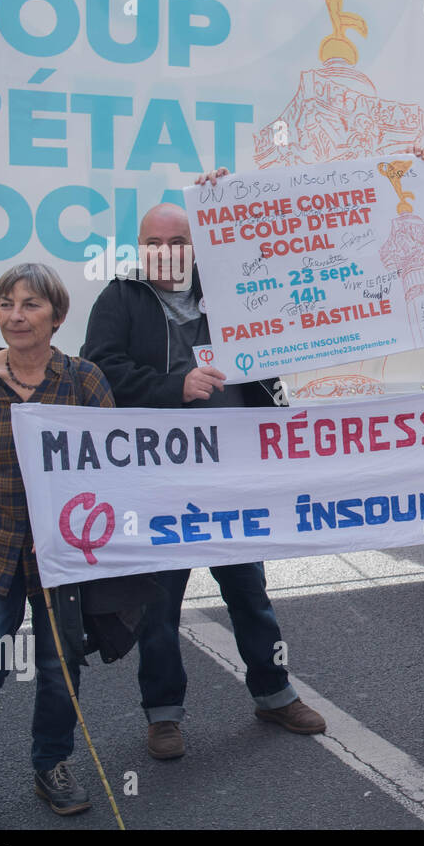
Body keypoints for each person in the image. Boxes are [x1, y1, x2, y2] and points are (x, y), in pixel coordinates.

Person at [82, 182, 326, 761]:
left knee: (249, 590)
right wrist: (175, 387)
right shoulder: (119, 299)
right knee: (160, 603)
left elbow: (297, 256)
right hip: (160, 478)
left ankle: (274, 692)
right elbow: (100, 370)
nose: (164, 252)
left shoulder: (232, 290)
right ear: (139, 249)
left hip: (231, 475)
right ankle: (163, 714)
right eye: (153, 243)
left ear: (197, 246)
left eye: (178, 241)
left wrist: (233, 194)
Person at [0, 264, 116, 829]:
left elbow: (111, 469)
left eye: (30, 305)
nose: (15, 315)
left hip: (61, 558)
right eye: (6, 303)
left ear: (57, 318)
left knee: (61, 669)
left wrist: (82, 537)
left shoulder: (83, 381)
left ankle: (52, 765)